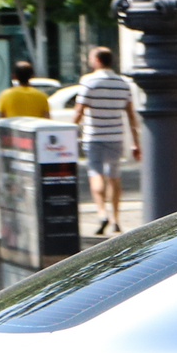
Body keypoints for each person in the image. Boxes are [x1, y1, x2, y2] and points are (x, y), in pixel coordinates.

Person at [74, 46, 140, 235]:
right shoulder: (122, 83)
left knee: (95, 172)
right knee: (114, 175)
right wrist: (135, 142)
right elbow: (130, 114)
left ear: (96, 60)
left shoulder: (89, 81)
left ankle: (102, 212)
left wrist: (69, 130)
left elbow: (79, 110)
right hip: (116, 136)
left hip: (94, 135)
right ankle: (116, 219)